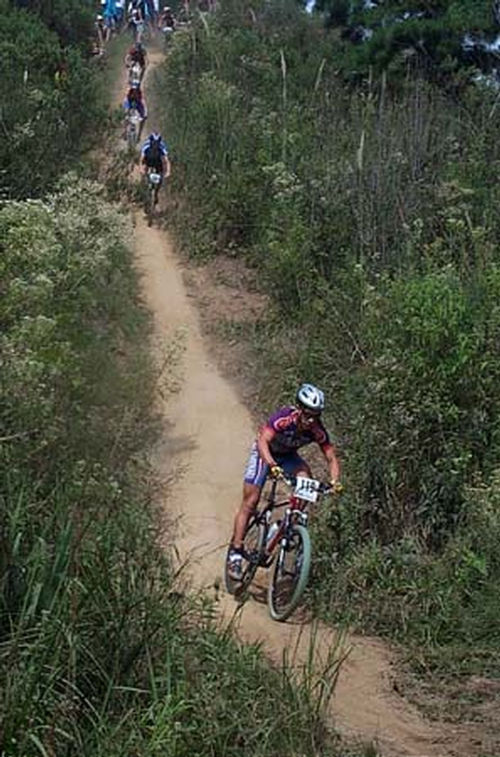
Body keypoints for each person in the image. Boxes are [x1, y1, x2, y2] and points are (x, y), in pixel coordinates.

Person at [227, 383, 342, 580]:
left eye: (316, 415)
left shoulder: (317, 430)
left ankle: (285, 525)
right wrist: (271, 464)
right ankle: (235, 552)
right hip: (265, 454)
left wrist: (334, 481)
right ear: (299, 409)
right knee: (251, 501)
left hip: (288, 457)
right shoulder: (284, 418)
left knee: (306, 477)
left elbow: (331, 457)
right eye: (308, 413)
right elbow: (263, 440)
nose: (311, 419)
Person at [140, 131, 171, 201]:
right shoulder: (146, 146)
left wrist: (168, 171)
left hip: (158, 162)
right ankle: (143, 187)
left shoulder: (162, 147)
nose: (155, 145)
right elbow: (141, 159)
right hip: (148, 160)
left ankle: (156, 193)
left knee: (160, 178)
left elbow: (166, 161)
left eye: (157, 143)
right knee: (144, 173)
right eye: (154, 142)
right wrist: (141, 169)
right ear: (151, 141)